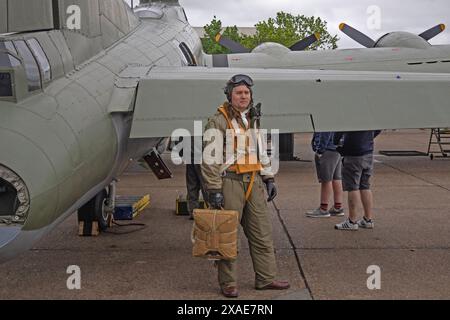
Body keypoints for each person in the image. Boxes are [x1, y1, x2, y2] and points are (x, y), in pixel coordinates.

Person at [201, 74, 290, 298]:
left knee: (262, 233)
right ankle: (228, 283)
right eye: (239, 92)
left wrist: (268, 177)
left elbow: (259, 149)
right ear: (229, 95)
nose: (243, 96)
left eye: (246, 93)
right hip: (229, 182)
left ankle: (266, 278)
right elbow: (210, 159)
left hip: (254, 181)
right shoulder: (218, 120)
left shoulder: (252, 118)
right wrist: (214, 190)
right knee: (227, 235)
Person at [333, 130, 381, 231]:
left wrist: (336, 142)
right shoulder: (369, 115)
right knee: (365, 185)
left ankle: (352, 220)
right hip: (368, 150)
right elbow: (378, 128)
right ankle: (368, 219)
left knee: (352, 187)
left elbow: (339, 129)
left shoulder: (350, 115)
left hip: (353, 151)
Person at [306, 132, 344, 218]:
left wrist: (320, 150)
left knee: (326, 180)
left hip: (328, 149)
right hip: (337, 148)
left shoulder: (323, 119)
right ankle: (338, 207)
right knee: (336, 178)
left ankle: (323, 208)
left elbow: (325, 133)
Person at [185, 136, 207, 220]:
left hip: (190, 157)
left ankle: (193, 212)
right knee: (206, 186)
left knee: (192, 186)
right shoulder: (204, 125)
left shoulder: (188, 124)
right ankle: (211, 210)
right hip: (202, 157)